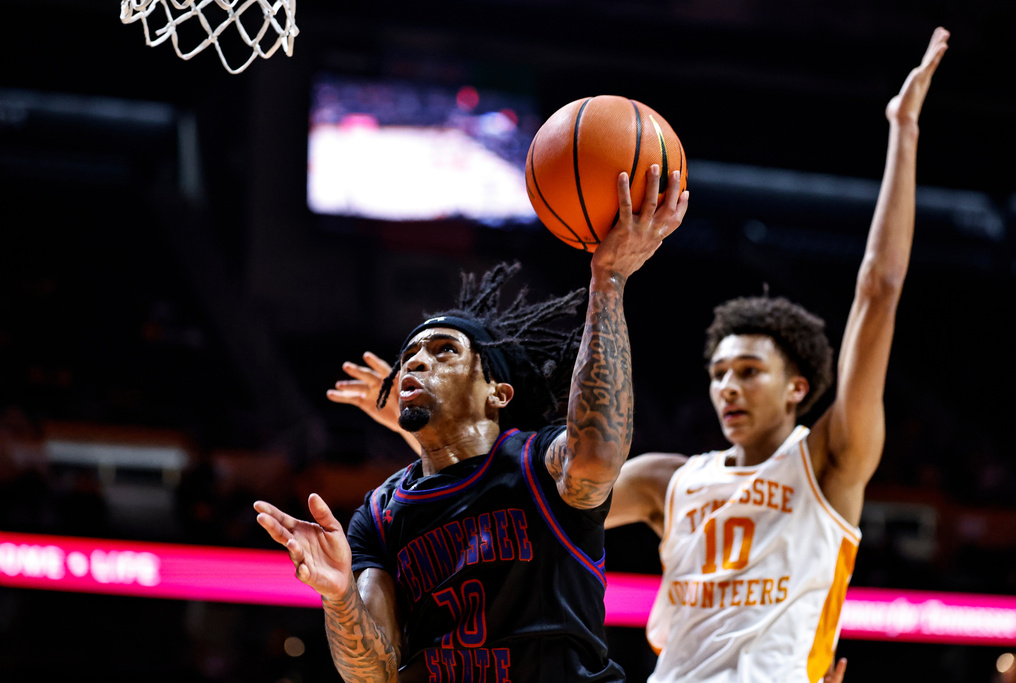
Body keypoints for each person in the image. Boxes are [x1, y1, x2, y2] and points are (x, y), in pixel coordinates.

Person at [604, 27, 949, 683]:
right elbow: (540, 507)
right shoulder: (664, 481)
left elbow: (879, 290)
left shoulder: (829, 462)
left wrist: (903, 129)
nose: (727, 387)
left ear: (797, 387)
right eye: (718, 374)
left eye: (748, 371)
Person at [255, 163, 688, 682]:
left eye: (444, 350)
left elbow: (597, 453)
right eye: (409, 355)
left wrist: (609, 281)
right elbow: (374, 675)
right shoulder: (380, 513)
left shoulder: (534, 463)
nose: (416, 362)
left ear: (497, 393)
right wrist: (340, 594)